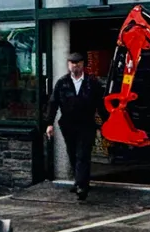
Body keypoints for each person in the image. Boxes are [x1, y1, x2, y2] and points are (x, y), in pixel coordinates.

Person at [45, 51, 106, 201]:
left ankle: (82, 186)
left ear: (83, 65)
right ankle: (79, 180)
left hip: (86, 124)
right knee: (72, 153)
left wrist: (107, 122)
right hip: (68, 124)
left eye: (78, 63)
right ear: (68, 65)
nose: (75, 66)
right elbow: (53, 104)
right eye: (72, 63)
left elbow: (101, 104)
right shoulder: (62, 83)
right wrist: (49, 124)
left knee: (83, 154)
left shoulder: (93, 83)